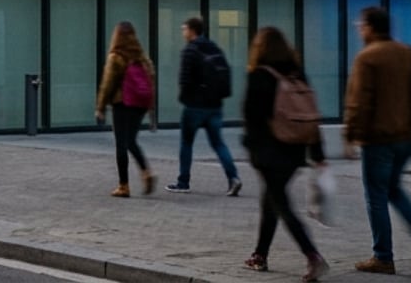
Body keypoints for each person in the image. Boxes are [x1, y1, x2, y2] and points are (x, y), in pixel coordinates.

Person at [344, 7, 411, 275]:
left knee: (376, 194)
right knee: (393, 188)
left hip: (379, 138)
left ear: (372, 28)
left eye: (361, 25)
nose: (359, 29)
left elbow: (359, 102)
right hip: (407, 136)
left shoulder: (368, 57)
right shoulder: (407, 53)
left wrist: (350, 134)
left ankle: (383, 257)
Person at [241, 27, 328, 280]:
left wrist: (252, 149)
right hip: (295, 151)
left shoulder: (259, 75)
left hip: (270, 152)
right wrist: (318, 154)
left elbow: (252, 117)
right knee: (271, 200)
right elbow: (311, 116)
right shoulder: (297, 74)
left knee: (281, 204)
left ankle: (313, 255)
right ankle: (260, 254)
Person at [168, 16, 242, 196]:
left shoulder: (190, 50)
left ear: (192, 30)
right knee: (218, 143)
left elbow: (184, 79)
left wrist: (185, 98)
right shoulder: (214, 48)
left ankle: (183, 182)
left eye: (184, 29)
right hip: (215, 105)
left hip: (194, 105)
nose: (183, 32)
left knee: (186, 143)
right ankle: (233, 178)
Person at [93, 21, 157, 197]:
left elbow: (107, 84)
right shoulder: (142, 58)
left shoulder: (116, 57)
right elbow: (151, 81)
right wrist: (151, 109)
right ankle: (146, 172)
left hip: (122, 103)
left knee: (121, 144)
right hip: (140, 105)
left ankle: (124, 186)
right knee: (131, 141)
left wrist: (100, 107)